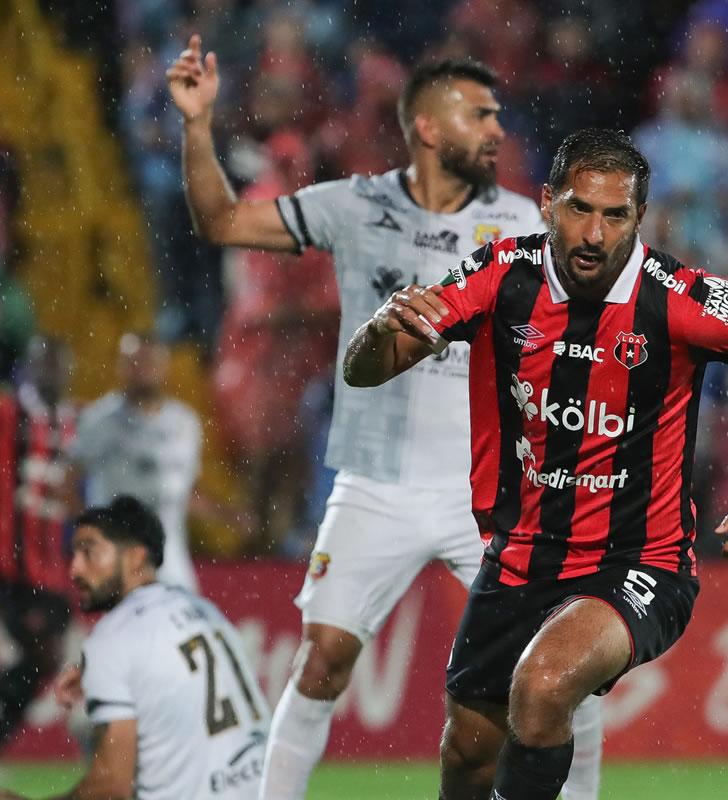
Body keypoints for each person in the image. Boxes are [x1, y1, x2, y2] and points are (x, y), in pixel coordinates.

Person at [343, 128, 728, 800]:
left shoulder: (678, 296)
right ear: (549, 203)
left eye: (615, 216)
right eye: (580, 209)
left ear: (639, 218)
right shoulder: (500, 274)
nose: (593, 233)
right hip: (520, 556)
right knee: (469, 752)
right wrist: (379, 334)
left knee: (545, 683)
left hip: (640, 561)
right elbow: (367, 371)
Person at [166, 36, 606, 799]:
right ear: (429, 129)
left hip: (493, 496)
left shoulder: (526, 226)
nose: (498, 130)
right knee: (322, 660)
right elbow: (222, 223)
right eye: (480, 115)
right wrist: (197, 125)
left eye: (499, 115)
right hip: (375, 485)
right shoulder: (357, 205)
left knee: (564, 667)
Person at [0, 495, 268, 800]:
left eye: (89, 553)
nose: (75, 569)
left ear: (136, 558)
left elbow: (111, 789)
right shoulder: (204, 611)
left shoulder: (114, 638)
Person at [67, 332, 202, 593]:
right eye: (134, 362)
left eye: (149, 362)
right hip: (114, 566)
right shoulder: (98, 420)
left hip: (170, 563)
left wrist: (230, 515)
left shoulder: (185, 423)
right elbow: (68, 482)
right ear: (121, 365)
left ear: (164, 366)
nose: (142, 370)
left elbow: (184, 493)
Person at [0, 337, 76, 748]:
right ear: (26, 368)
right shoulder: (9, 413)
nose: (53, 373)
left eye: (59, 365)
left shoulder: (71, 420)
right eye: (44, 364)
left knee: (45, 659)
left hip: (52, 567)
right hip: (13, 563)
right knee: (41, 654)